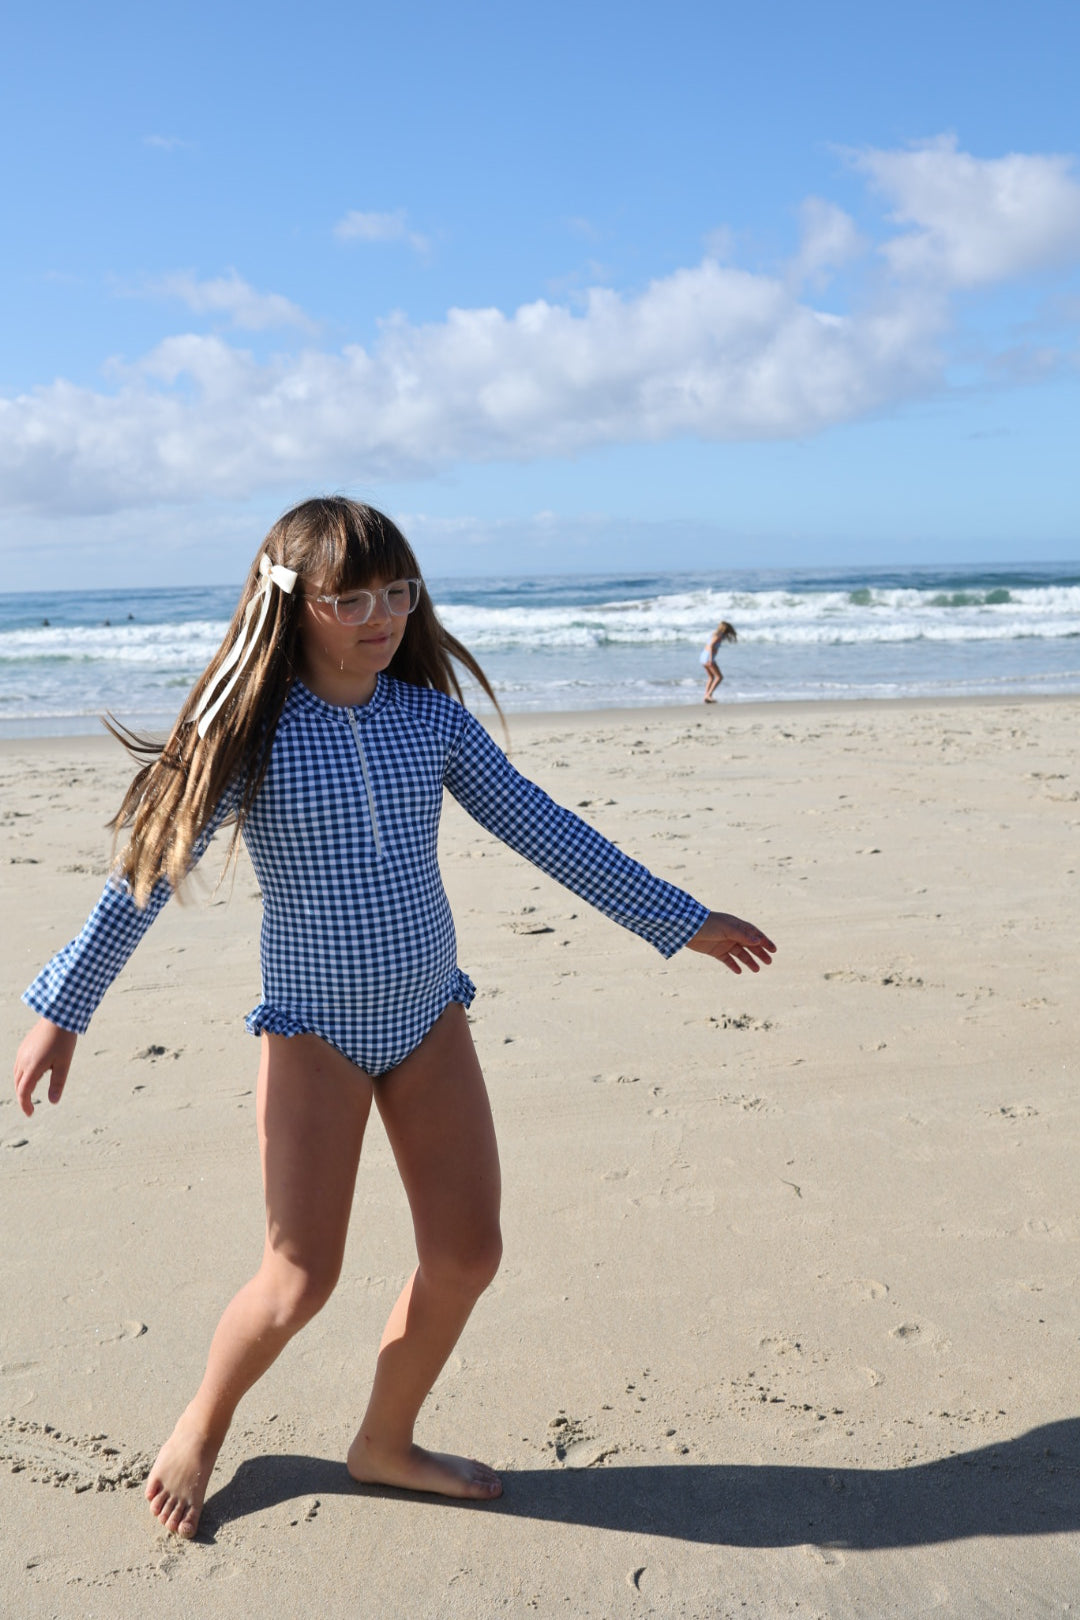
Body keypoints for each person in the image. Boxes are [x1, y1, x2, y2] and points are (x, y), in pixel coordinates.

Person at [13, 498, 775, 1540]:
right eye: (352, 597)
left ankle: (383, 1441)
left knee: (468, 1255)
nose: (382, 614)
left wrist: (679, 919)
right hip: (312, 1036)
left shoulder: (431, 721)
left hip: (428, 1022)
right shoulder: (253, 733)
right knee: (297, 1280)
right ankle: (202, 1421)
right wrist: (65, 1007)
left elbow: (542, 828)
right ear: (295, 603)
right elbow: (147, 874)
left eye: (398, 591)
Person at [701, 620, 737, 703]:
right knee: (719, 677)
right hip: (708, 657)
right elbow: (711, 646)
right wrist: (710, 659)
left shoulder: (715, 634)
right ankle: (708, 695)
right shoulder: (718, 636)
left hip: (703, 656)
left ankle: (706, 696)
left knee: (711, 677)